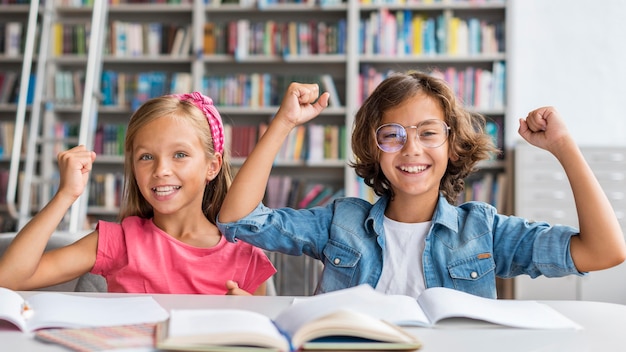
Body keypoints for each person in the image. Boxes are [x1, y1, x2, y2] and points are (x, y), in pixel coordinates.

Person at [216, 71, 626, 299]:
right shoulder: (342, 222)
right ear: (374, 148)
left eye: (429, 133)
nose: (411, 149)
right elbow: (239, 219)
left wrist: (563, 146)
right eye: (392, 135)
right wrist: (284, 122)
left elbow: (605, 251)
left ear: (452, 145)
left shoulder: (481, 231)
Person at [0, 92, 276, 295]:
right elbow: (9, 278)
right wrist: (65, 195)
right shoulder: (118, 241)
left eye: (179, 154)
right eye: (146, 157)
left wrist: (247, 313)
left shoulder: (246, 255)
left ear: (212, 166)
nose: (161, 170)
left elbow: (263, 337)